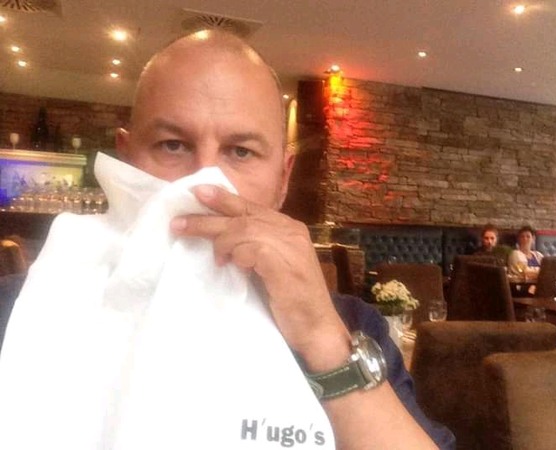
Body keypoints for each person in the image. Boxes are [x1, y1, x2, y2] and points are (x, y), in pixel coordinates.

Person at [0, 31, 454, 449]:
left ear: (283, 178)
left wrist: (321, 337)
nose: (204, 182)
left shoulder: (351, 327)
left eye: (241, 151)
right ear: (128, 159)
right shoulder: (23, 308)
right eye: (173, 144)